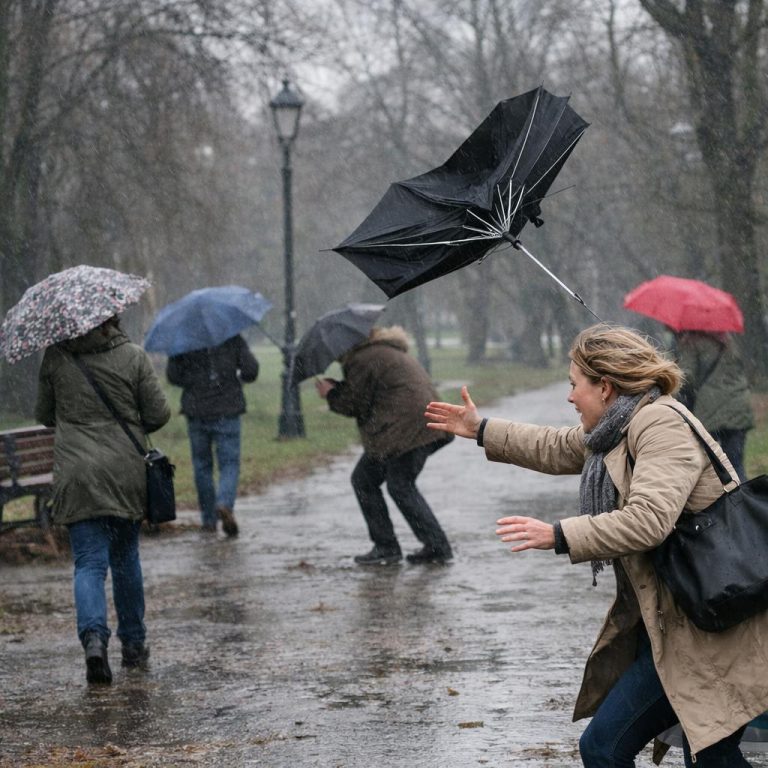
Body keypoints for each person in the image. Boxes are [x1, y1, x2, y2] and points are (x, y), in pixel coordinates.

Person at [424, 324, 768, 766]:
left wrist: (559, 534)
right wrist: (481, 428)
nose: (569, 397)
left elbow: (649, 521)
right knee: (710, 756)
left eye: (574, 385)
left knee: (605, 747)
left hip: (710, 625)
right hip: (686, 618)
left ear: (605, 387)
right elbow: (554, 445)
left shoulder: (660, 424)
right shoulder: (619, 429)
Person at [35, 315, 171, 685]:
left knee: (89, 564)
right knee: (126, 557)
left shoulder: (57, 357)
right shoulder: (133, 356)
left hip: (77, 475)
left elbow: (44, 415)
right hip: (124, 473)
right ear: (113, 317)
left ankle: (94, 639)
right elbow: (158, 414)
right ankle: (134, 643)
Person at [315, 325, 454, 565]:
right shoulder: (380, 352)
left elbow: (353, 403)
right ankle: (398, 545)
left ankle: (428, 546)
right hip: (414, 426)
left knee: (398, 485)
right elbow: (366, 394)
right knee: (366, 480)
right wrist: (340, 388)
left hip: (404, 429)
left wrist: (330, 393)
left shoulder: (362, 359)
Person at [166, 334, 258, 536]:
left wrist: (194, 381)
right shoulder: (231, 337)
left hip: (196, 410)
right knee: (229, 464)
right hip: (228, 408)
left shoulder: (183, 341)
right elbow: (251, 370)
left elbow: (173, 376)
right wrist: (234, 378)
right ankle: (225, 503)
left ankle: (208, 520)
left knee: (202, 466)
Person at [673, 330, 754, 481]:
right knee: (735, 463)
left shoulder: (691, 342)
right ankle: (744, 499)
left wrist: (672, 371)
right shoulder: (727, 340)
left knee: (707, 464)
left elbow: (688, 378)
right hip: (739, 405)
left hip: (711, 409)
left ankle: (725, 500)